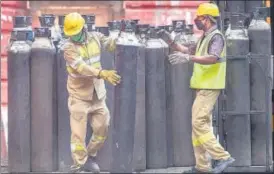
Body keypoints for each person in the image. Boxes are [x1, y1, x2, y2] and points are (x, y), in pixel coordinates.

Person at [158, 2, 235, 173]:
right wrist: (169, 41)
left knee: (198, 123)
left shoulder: (216, 37)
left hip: (209, 87)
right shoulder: (204, 37)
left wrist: (189, 59)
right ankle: (202, 167)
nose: (196, 20)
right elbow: (187, 50)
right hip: (201, 87)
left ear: (207, 19)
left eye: (199, 17)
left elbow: (212, 58)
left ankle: (223, 157)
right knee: (198, 126)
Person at [62, 12, 121, 173]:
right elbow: (81, 68)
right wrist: (102, 73)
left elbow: (109, 44)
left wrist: (120, 38)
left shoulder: (95, 37)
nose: (74, 37)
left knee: (103, 127)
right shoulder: (68, 48)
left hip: (97, 95)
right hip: (79, 97)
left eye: (76, 33)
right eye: (71, 35)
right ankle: (79, 165)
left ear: (83, 28)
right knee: (78, 136)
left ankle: (90, 155)